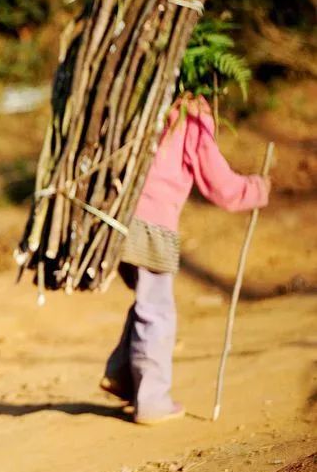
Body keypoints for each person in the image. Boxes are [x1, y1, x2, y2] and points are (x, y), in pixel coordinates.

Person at [101, 94, 270, 425]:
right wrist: (255, 189)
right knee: (157, 312)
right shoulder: (189, 112)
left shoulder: (140, 99)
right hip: (151, 225)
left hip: (115, 219)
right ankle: (151, 400)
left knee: (148, 301)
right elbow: (217, 182)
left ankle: (121, 373)